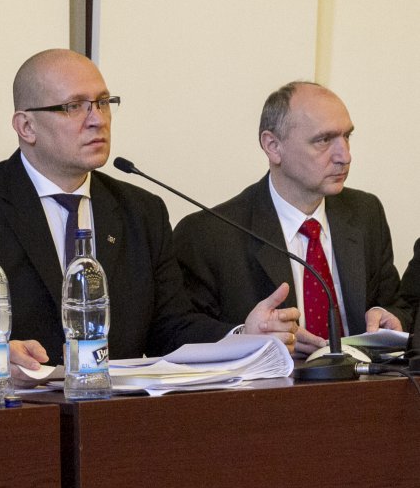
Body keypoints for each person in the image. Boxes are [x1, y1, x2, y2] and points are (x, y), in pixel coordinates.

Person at [0, 48, 299, 381]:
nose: (97, 119)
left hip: (113, 417)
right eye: (74, 106)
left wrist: (242, 335)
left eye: (104, 103)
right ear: (26, 126)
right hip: (9, 418)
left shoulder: (141, 210)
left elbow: (171, 327)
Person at [173, 81, 412, 357]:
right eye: (324, 140)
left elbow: (398, 305)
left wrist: (389, 318)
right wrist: (244, 336)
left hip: (361, 381)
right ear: (273, 146)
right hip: (269, 384)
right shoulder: (209, 233)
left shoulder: (365, 213)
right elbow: (176, 335)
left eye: (347, 136)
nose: (345, 156)